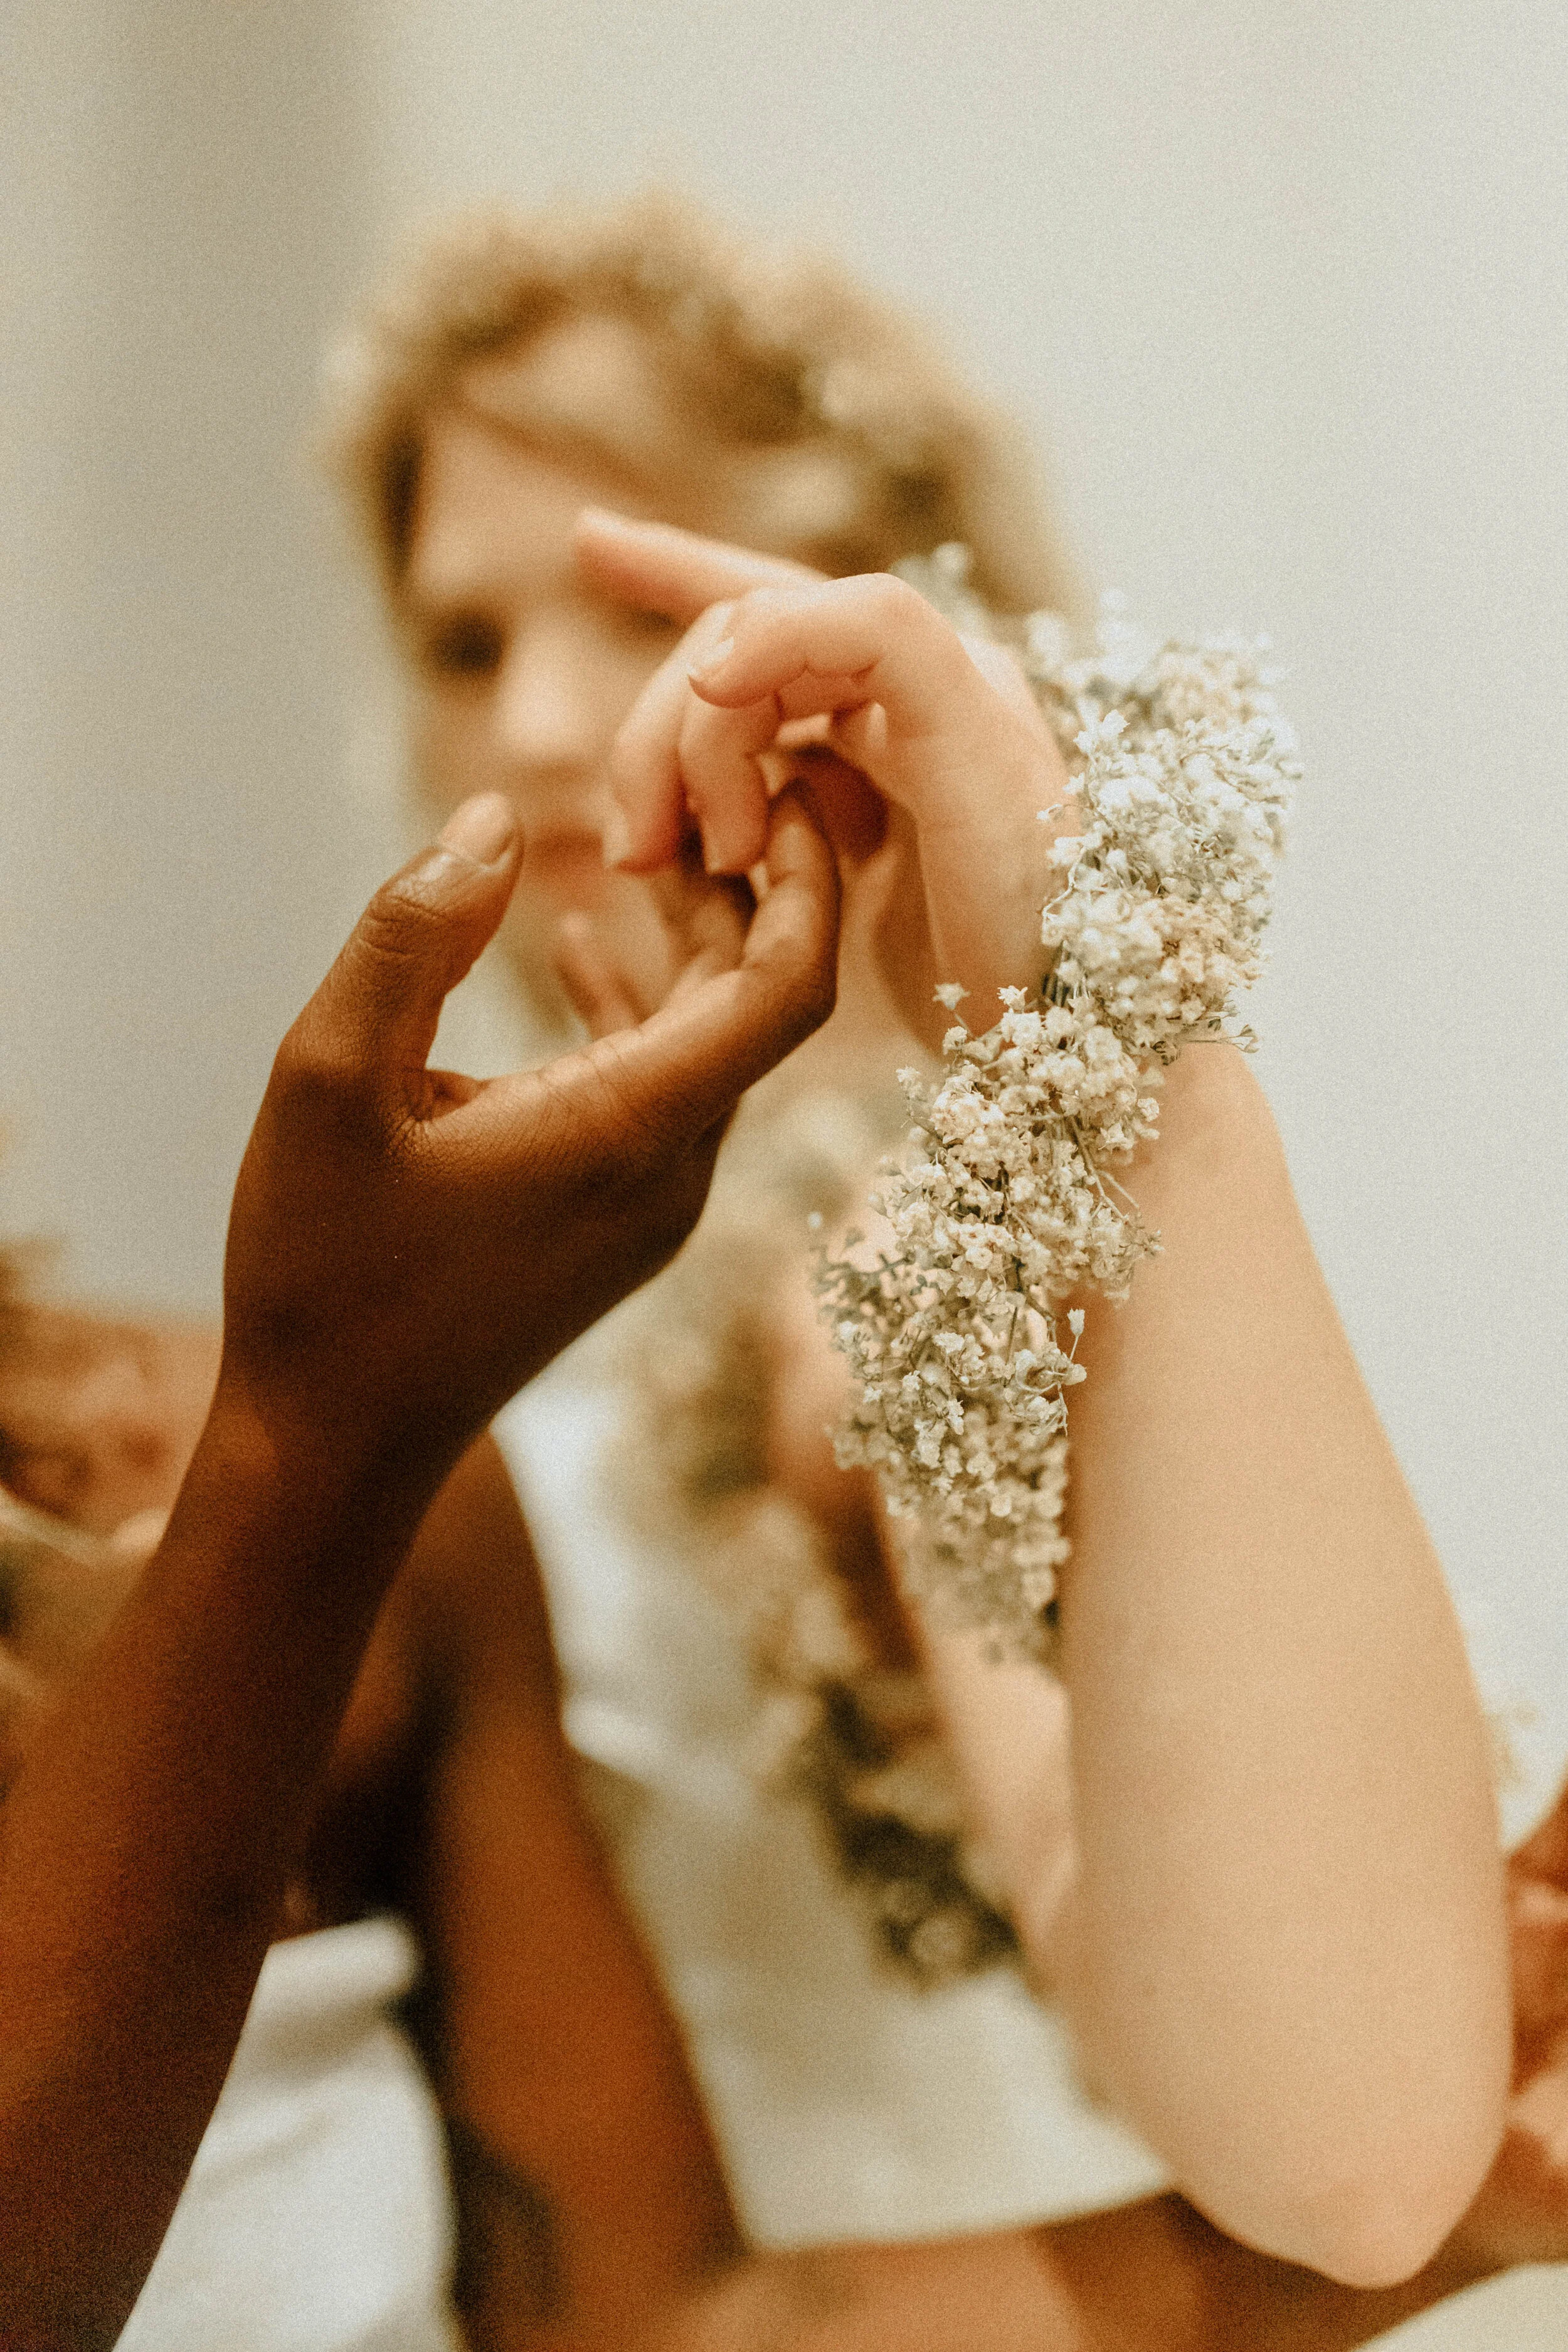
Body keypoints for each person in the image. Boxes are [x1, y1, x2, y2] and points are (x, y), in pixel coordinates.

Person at [322, 186, 1509, 2301]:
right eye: (461, 643)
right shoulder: (639, 1301)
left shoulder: (882, 1264)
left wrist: (1096, 1024)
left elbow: (1339, 2151)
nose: (524, 731)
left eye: (630, 615)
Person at [0, 781, 840, 2348]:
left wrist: (1411, 2208)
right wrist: (309, 1456)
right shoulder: (295, 1457)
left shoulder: (282, 1466)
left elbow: (646, 2323)